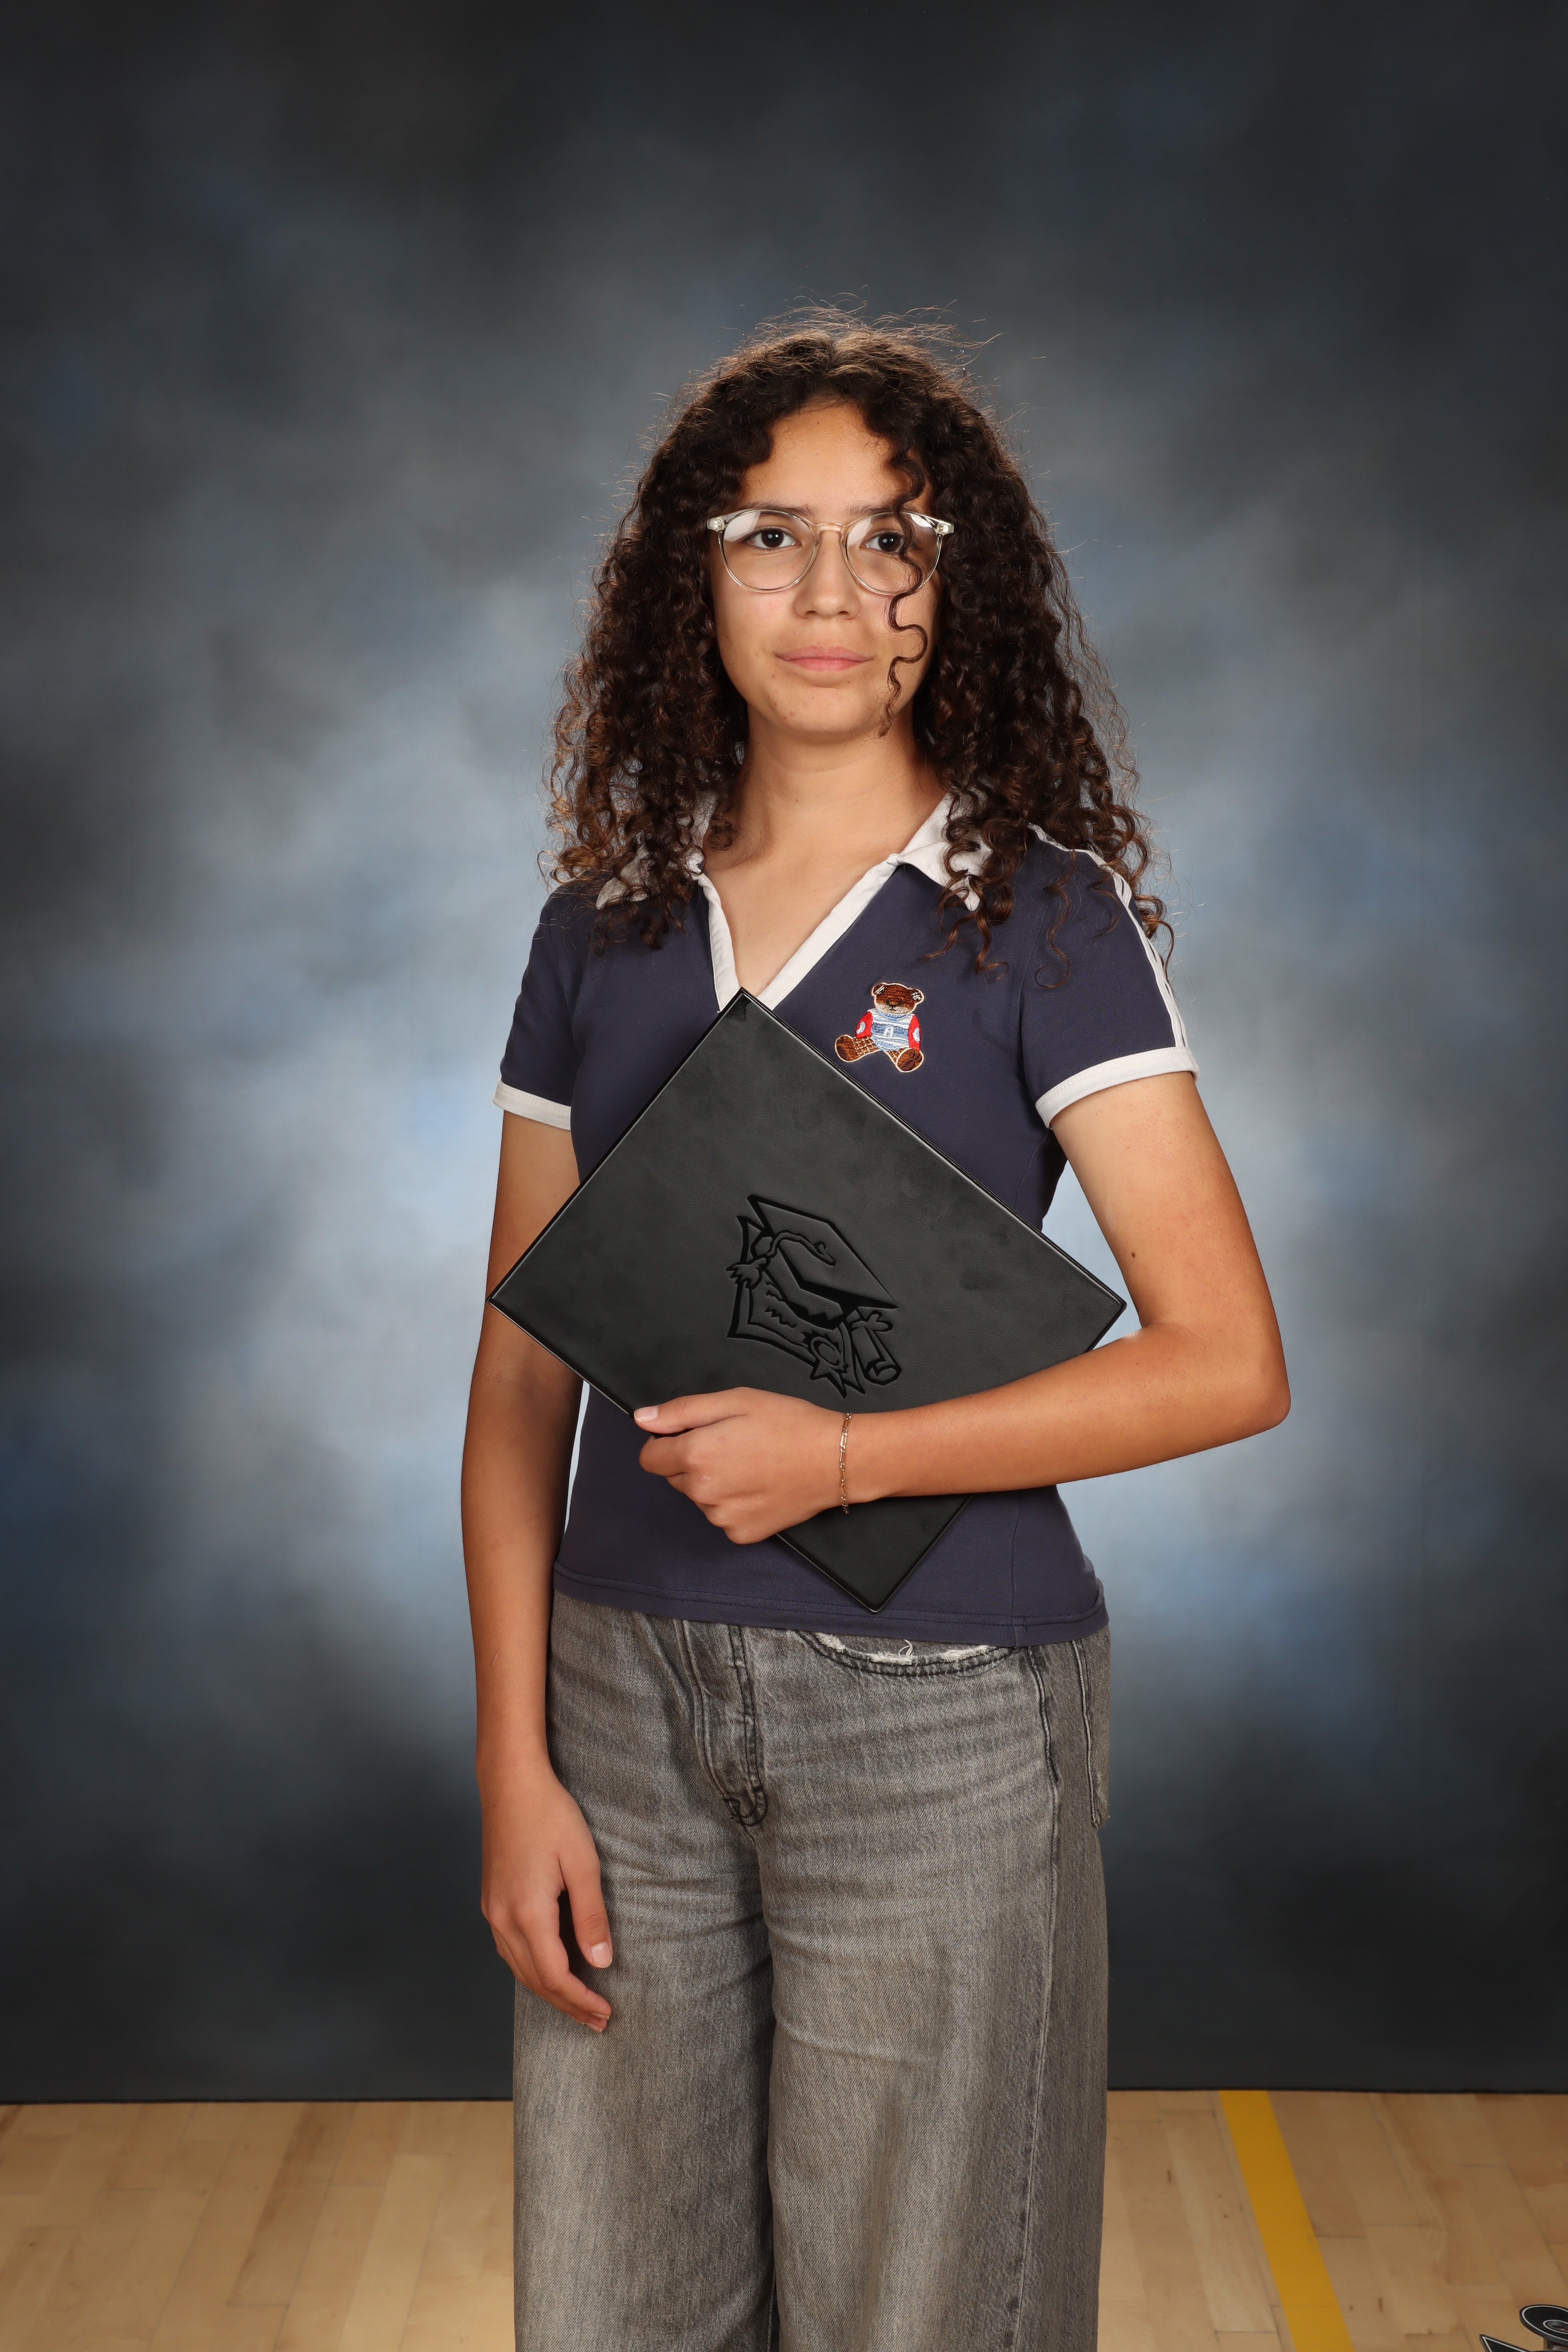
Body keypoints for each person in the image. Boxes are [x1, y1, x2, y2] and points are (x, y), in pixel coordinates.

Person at [460, 315, 1289, 2352]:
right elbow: (518, 1387)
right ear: (693, 575)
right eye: (770, 535)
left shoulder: (1038, 919)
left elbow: (1224, 1360)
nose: (831, 592)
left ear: (951, 583)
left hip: (943, 1713)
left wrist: (847, 1459)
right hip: (620, 1707)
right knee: (617, 2314)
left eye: (889, 538)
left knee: (921, 2315)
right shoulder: (602, 927)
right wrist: (512, 1758)